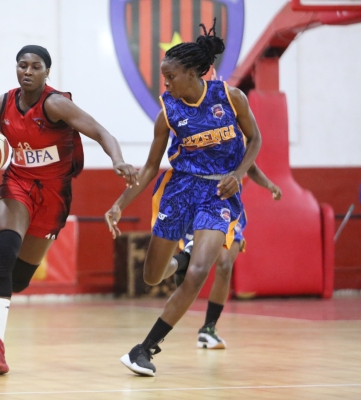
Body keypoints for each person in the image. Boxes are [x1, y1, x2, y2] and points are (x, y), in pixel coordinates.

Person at [104, 21, 261, 377]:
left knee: (202, 270)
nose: (166, 85)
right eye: (165, 79)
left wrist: (238, 175)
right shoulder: (167, 114)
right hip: (180, 189)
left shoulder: (231, 98)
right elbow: (147, 169)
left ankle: (145, 349)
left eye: (171, 77)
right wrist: (119, 204)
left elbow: (255, 140)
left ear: (192, 73)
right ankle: (182, 258)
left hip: (217, 192)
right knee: (152, 275)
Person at [0, 45, 138, 376]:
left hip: (53, 196)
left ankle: (8, 292)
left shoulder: (56, 104)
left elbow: (103, 132)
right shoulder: (3, 103)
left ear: (47, 72)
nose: (28, 71)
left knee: (18, 281)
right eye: (22, 66)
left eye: (35, 66)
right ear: (16, 69)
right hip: (16, 185)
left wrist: (117, 160)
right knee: (3, 253)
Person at [167, 162, 281, 349]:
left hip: (229, 208)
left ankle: (209, 328)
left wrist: (269, 185)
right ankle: (181, 266)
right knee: (194, 267)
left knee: (225, 264)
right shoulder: (193, 134)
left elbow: (249, 166)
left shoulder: (239, 136)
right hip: (199, 203)